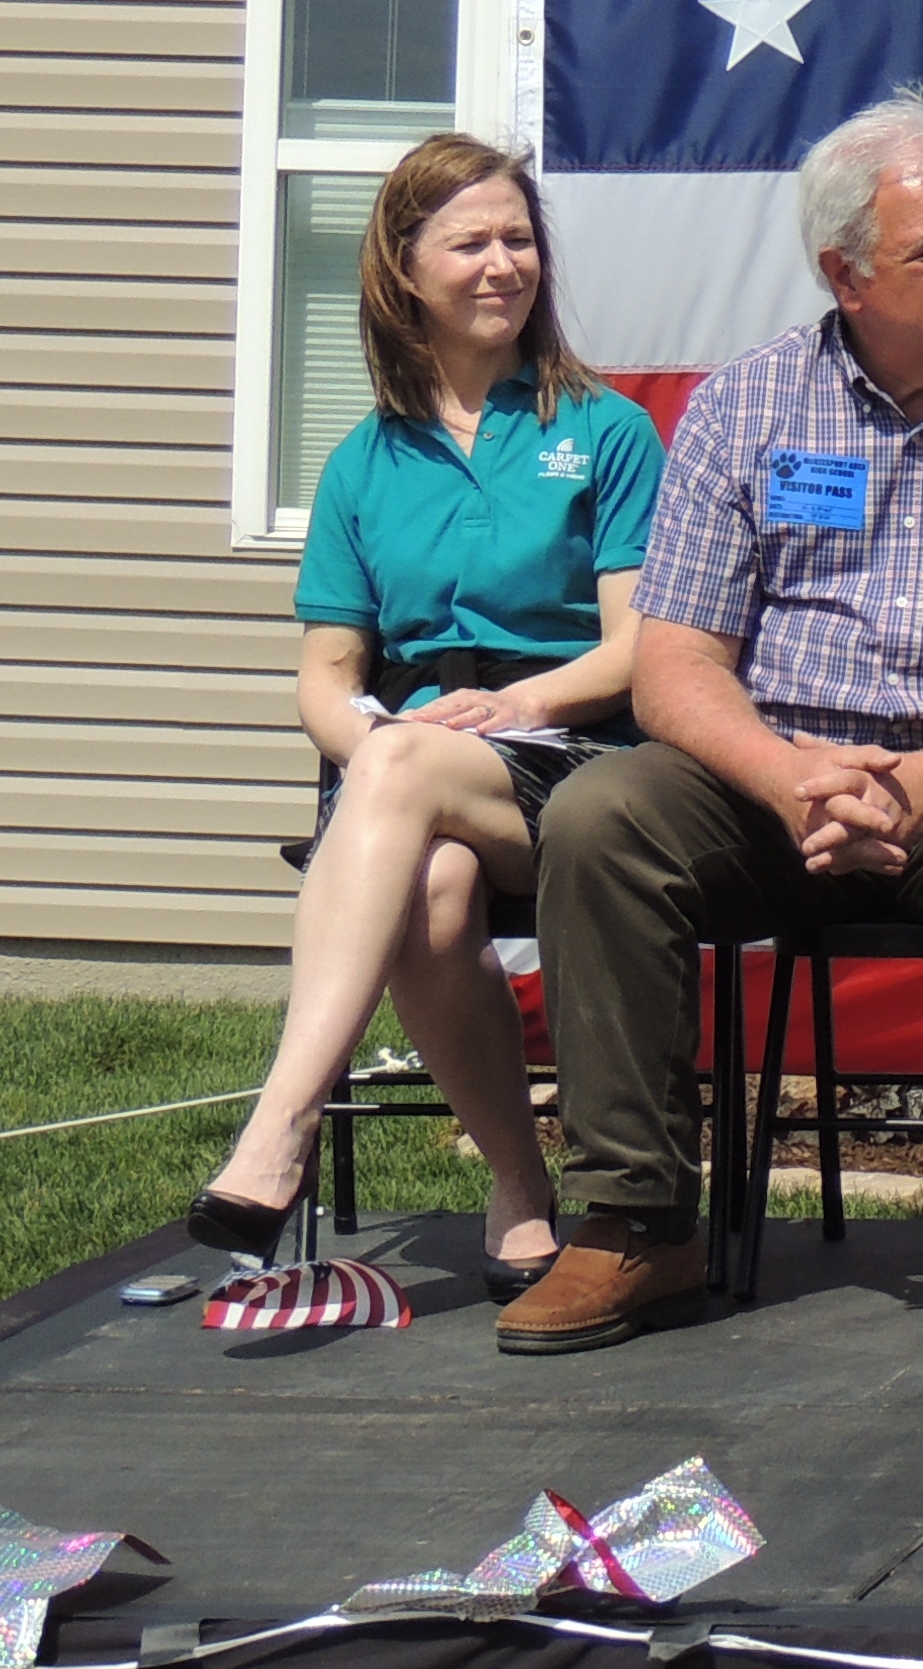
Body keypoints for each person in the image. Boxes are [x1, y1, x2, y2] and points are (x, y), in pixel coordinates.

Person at [512, 98, 923, 1364]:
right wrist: (788, 777)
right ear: (844, 273)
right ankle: (637, 1218)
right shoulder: (745, 406)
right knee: (599, 816)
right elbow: (674, 668)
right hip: (783, 778)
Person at [183, 136, 662, 1297]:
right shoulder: (363, 460)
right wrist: (379, 755)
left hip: (575, 755)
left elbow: (635, 651)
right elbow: (325, 672)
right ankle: (518, 1186)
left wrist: (508, 706)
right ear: (404, 271)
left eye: (519, 239)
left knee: (406, 780)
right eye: (471, 243)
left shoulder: (604, 432)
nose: (505, 265)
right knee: (435, 895)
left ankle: (279, 1128)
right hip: (417, 772)